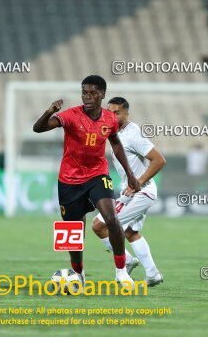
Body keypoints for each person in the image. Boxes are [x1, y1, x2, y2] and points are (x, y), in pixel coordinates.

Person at [33, 75, 140, 287]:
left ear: (102, 94)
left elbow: (116, 143)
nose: (87, 97)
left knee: (111, 218)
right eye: (84, 93)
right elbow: (38, 128)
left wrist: (130, 174)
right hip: (69, 180)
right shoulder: (71, 116)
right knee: (74, 232)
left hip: (97, 175)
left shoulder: (109, 119)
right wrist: (49, 111)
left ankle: (121, 272)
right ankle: (78, 274)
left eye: (92, 93)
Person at [92, 97, 166, 286]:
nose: (113, 116)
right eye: (110, 112)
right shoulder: (114, 131)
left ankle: (126, 260)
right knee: (131, 232)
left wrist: (137, 182)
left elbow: (159, 160)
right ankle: (153, 274)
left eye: (117, 112)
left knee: (99, 226)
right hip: (136, 192)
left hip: (142, 192)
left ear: (126, 113)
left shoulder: (133, 134)